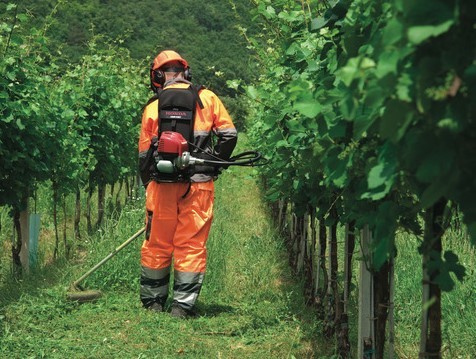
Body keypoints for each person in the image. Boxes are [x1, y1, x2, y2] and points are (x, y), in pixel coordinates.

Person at [138, 50, 237, 318]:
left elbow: (143, 157)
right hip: (198, 186)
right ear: (186, 72)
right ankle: (182, 307)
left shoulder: (152, 106)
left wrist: (150, 184)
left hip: (161, 186)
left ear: (157, 76)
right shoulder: (207, 99)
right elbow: (229, 136)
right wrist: (212, 165)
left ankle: (153, 303)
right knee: (190, 244)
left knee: (157, 243)